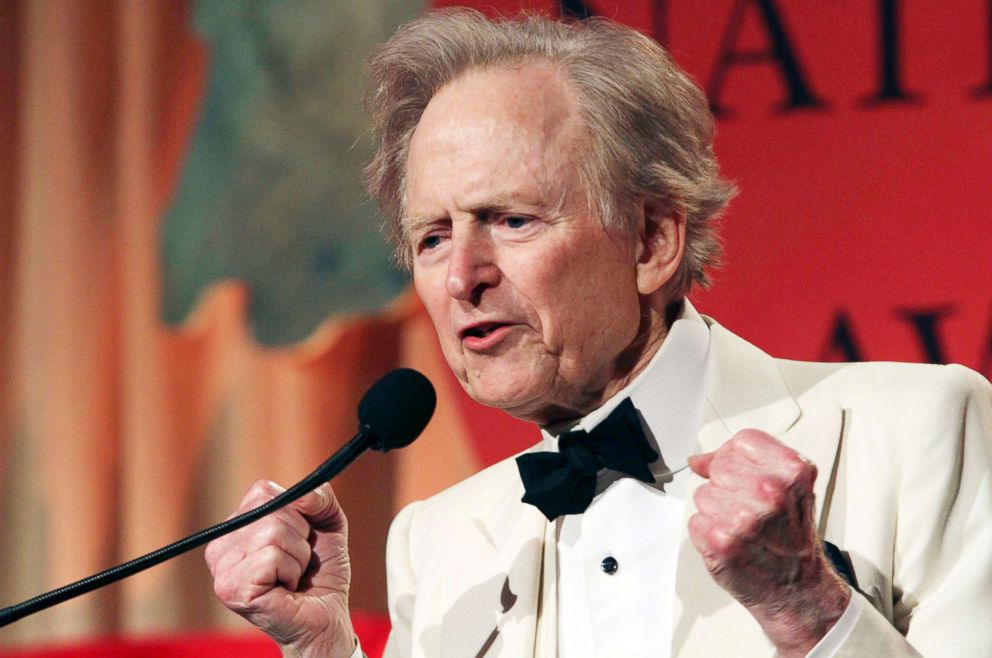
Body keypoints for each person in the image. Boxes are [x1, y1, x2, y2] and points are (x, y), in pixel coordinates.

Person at [204, 9, 992, 658]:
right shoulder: (438, 542)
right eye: (432, 237)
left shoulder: (922, 429)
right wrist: (323, 650)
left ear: (651, 242)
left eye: (510, 219)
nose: (460, 277)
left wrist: (810, 612)